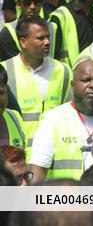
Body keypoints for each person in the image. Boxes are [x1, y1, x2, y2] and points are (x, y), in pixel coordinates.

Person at [2, 15, 71, 152]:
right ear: (23, 42)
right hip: (19, 155)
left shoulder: (63, 71)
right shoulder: (5, 71)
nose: (47, 42)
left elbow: (70, 114)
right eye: (40, 38)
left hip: (56, 152)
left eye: (48, 37)